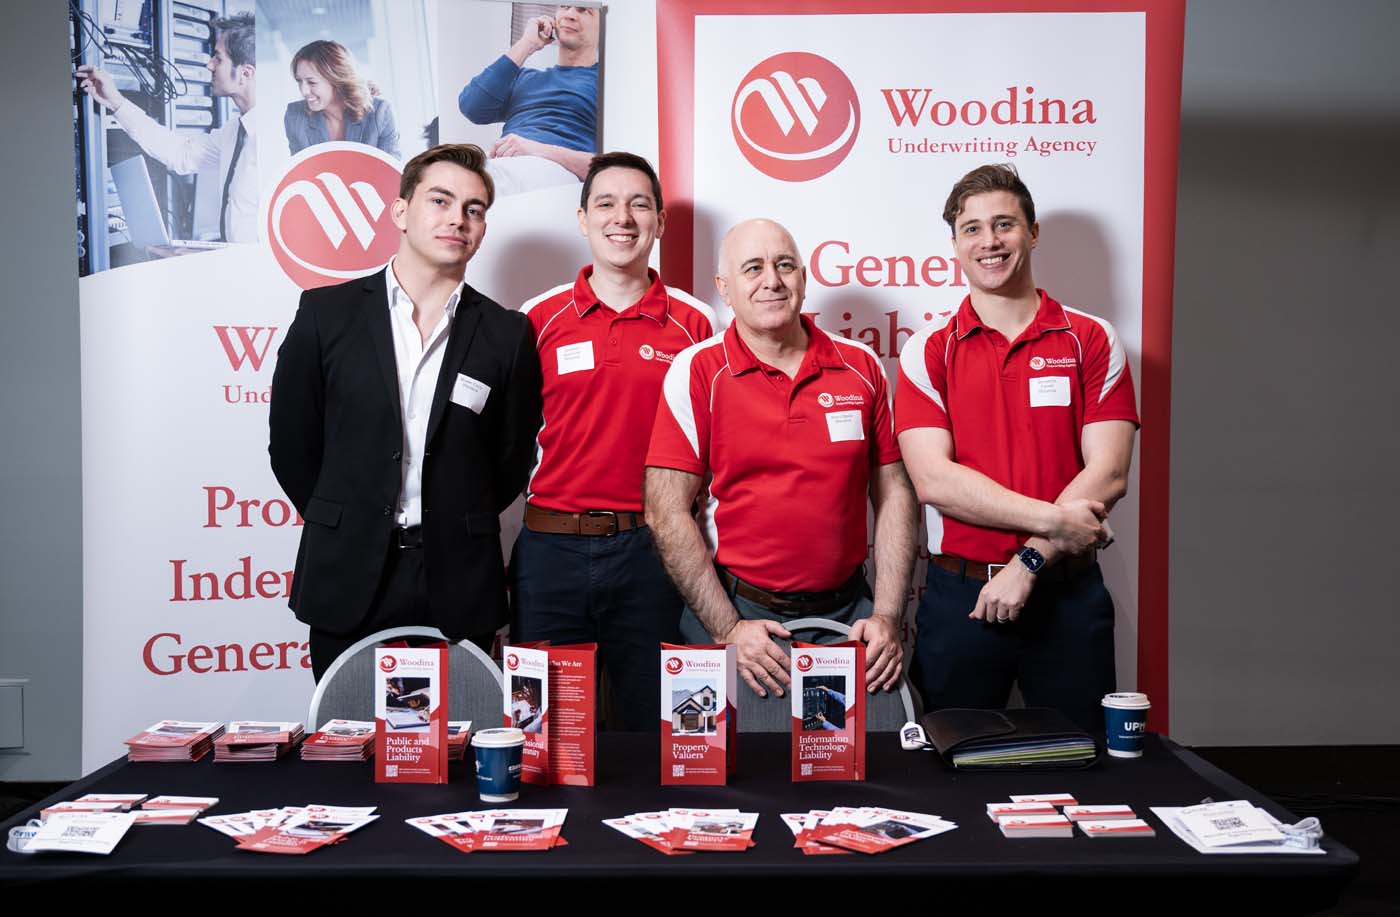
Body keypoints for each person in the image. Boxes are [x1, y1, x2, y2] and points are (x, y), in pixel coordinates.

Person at [269, 144, 543, 680]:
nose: (457, 219)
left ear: (482, 228)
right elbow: (292, 446)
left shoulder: (507, 334)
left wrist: (453, 515)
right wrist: (349, 516)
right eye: (440, 200)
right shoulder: (327, 314)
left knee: (459, 730)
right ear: (401, 211)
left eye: (473, 209)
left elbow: (511, 458)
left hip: (458, 577)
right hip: (348, 571)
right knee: (346, 729)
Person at [894, 164, 1139, 731]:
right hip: (962, 599)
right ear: (955, 244)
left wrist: (1029, 561)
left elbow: (1109, 473)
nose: (990, 241)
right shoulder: (928, 351)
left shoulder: (1091, 338)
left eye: (1004, 224)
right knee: (949, 760)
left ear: (1032, 232)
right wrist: (1053, 524)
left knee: (1082, 758)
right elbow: (935, 481)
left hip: (1067, 595)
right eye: (972, 228)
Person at [645, 219, 917, 700]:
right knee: (731, 749)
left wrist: (888, 615)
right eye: (753, 268)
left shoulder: (861, 366)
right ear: (724, 288)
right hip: (737, 613)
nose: (771, 280)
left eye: (784, 265)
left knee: (862, 748)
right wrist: (728, 629)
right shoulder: (698, 370)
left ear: (804, 279)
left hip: (848, 618)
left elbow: (894, 492)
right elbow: (665, 511)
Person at [513, 152, 714, 730]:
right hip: (550, 552)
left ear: (659, 222)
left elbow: (714, 448)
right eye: (605, 203)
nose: (622, 218)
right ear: (583, 219)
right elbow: (509, 439)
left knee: (657, 731)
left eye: (639, 204)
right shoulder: (537, 318)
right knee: (547, 734)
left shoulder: (697, 324)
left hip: (654, 553)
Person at [76, 13, 257, 243]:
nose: (209, 64)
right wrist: (116, 103)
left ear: (245, 74)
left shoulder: (274, 138)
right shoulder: (233, 133)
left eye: (218, 59)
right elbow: (181, 153)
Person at [457, 5, 599, 195]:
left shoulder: (607, 84)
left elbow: (613, 168)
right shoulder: (523, 78)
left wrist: (534, 149)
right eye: (565, 6)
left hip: (554, 173)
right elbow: (471, 106)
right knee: (445, 173)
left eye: (584, 9)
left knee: (464, 183)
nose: (570, 15)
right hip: (503, 167)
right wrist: (527, 44)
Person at [284, 40, 400, 158]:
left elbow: (390, 166)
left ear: (336, 80)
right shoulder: (295, 117)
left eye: (312, 82)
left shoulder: (380, 113)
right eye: (299, 81)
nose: (304, 91)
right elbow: (300, 168)